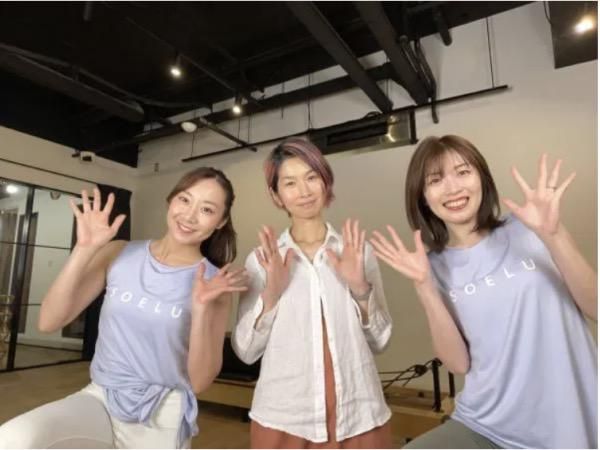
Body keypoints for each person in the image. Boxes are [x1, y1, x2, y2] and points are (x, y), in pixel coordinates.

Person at [370, 135, 597, 448]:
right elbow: (458, 365)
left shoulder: (530, 228)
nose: (452, 188)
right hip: (487, 425)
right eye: (435, 180)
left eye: (463, 172)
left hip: (567, 420)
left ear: (482, 178)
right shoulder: (432, 266)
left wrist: (554, 235)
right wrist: (424, 287)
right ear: (423, 197)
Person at [0, 167, 247, 449]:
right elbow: (48, 321)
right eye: (185, 200)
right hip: (101, 397)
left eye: (206, 209)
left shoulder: (214, 283)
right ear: (171, 200)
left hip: (160, 414)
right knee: (15, 438)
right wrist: (84, 249)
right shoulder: (119, 252)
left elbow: (200, 382)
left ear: (220, 221)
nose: (189, 216)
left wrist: (200, 308)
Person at [232, 137, 393, 449]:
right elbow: (246, 351)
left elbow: (381, 341)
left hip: (358, 413)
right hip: (285, 418)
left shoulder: (358, 252)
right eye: (290, 183)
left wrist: (360, 289)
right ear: (276, 195)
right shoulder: (262, 260)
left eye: (311, 177)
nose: (304, 191)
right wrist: (271, 295)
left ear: (325, 182)